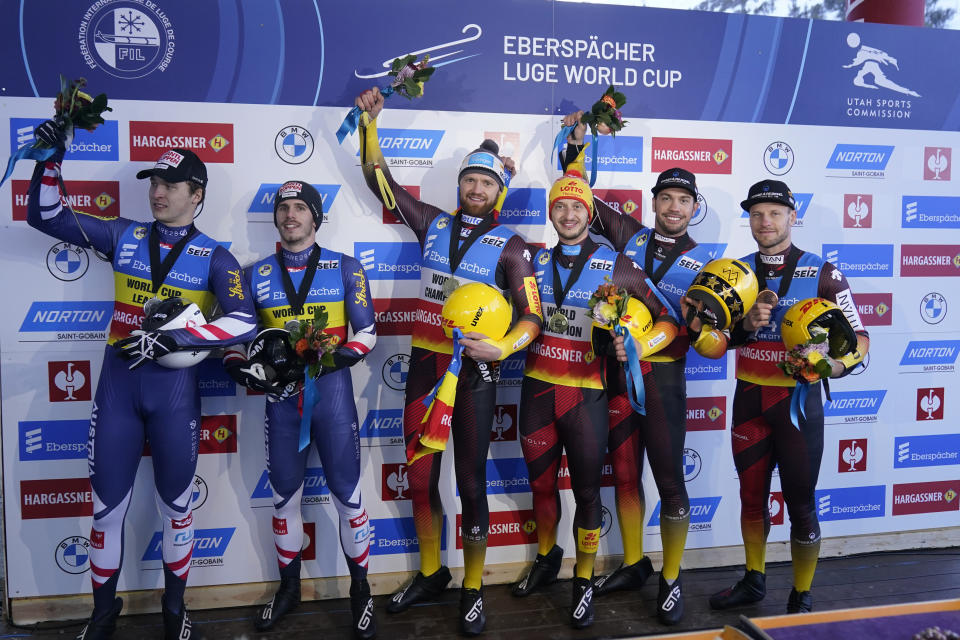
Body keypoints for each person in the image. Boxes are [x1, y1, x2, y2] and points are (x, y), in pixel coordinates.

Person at [27, 120, 257, 640]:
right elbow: (44, 215)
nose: (157, 192)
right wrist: (50, 158)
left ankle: (175, 609)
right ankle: (103, 614)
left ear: (196, 195)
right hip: (118, 387)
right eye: (153, 183)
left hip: (174, 394)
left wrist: (180, 339)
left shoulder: (215, 256)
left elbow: (244, 321)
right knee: (106, 510)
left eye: (170, 185)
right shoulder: (124, 233)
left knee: (177, 510)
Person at [354, 87, 543, 635]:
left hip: (478, 374)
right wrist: (371, 125)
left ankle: (475, 585)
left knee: (472, 484)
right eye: (470, 180)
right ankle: (432, 572)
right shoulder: (431, 221)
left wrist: (503, 348)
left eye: (487, 182)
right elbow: (380, 182)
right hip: (425, 367)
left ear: (499, 190)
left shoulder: (514, 247)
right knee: (419, 478)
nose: (476, 188)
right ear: (460, 185)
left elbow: (532, 318)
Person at [557, 113, 719, 625]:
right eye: (666, 199)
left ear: (695, 208)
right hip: (612, 374)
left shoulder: (710, 263)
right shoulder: (628, 233)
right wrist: (577, 143)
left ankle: (671, 577)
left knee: (669, 480)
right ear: (654, 204)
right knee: (623, 475)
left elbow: (702, 332)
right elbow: (579, 197)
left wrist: (649, 342)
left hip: (662, 379)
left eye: (683, 200)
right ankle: (633, 562)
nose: (674, 207)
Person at [509, 155, 678, 629]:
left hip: (587, 397)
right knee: (540, 484)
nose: (569, 215)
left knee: (586, 492)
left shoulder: (615, 264)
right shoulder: (533, 261)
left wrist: (640, 343)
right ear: (551, 213)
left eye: (577, 208)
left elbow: (668, 318)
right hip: (538, 392)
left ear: (589, 214)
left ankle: (583, 580)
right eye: (560, 207)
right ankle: (546, 557)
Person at [696, 180, 870, 614]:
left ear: (792, 217)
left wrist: (836, 366)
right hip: (750, 400)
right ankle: (754, 580)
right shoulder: (735, 274)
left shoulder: (822, 271)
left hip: (798, 407)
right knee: (751, 498)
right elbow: (718, 339)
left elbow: (860, 337)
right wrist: (744, 328)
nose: (765, 222)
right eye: (757, 214)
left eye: (775, 213)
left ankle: (801, 594)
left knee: (801, 501)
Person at [222, 181, 378, 638]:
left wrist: (325, 359)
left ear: (315, 217)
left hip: (330, 398)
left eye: (299, 208)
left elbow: (367, 333)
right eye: (283, 208)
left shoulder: (347, 267)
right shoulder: (253, 274)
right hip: (280, 404)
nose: (290, 215)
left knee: (348, 496)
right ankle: (289, 589)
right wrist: (242, 370)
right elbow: (233, 341)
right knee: (284, 498)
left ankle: (361, 591)